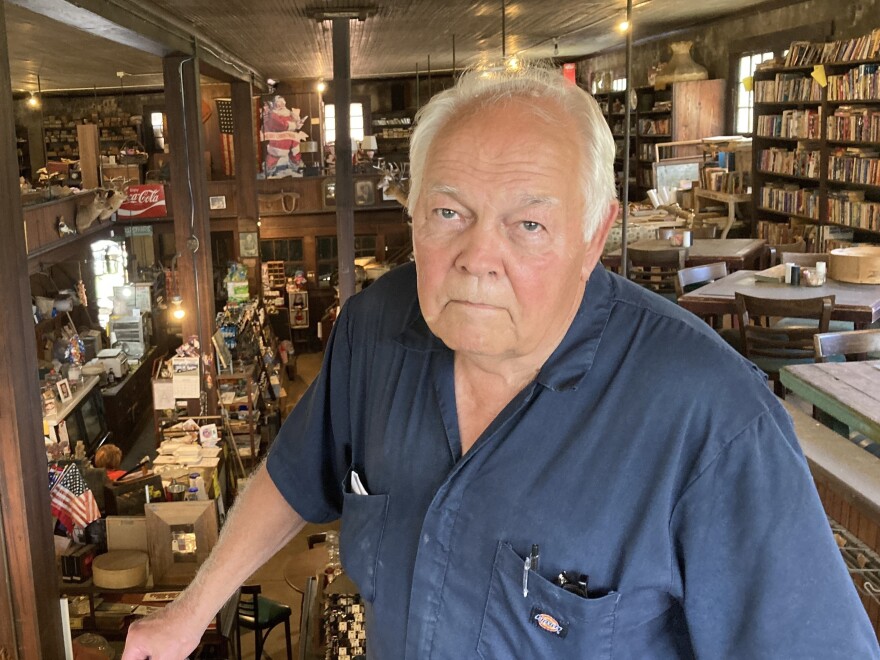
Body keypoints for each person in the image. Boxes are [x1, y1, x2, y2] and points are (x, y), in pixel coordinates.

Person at [123, 63, 879, 659]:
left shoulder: (713, 423)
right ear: (413, 215)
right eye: (450, 213)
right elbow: (293, 478)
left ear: (594, 235)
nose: (477, 258)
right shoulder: (373, 331)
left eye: (527, 224)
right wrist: (191, 611)